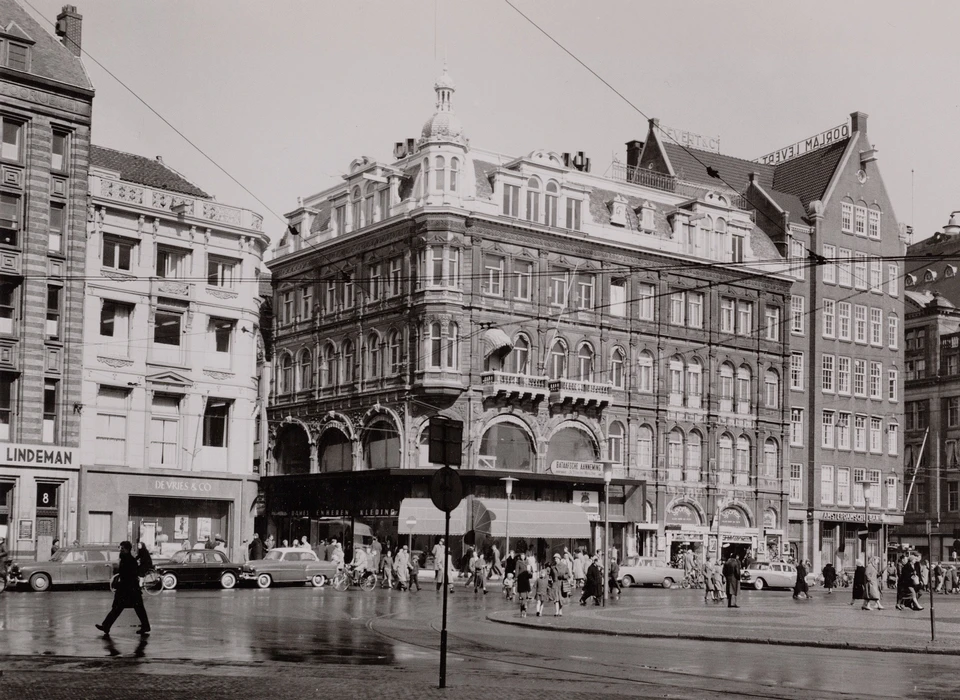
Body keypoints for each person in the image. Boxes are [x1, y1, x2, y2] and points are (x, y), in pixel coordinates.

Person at [96, 541, 150, 636]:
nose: (121, 550)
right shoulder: (125, 559)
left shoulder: (129, 560)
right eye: (120, 548)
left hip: (129, 589)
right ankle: (106, 626)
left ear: (127, 549)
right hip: (130, 589)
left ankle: (106, 626)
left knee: (121, 608)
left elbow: (130, 574)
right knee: (132, 608)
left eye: (122, 548)